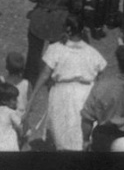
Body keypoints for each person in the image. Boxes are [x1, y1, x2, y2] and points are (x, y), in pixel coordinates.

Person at [35, 14, 107, 151]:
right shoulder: (92, 52)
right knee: (78, 131)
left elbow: (44, 75)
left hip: (62, 94)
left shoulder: (55, 49)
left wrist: (32, 98)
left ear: (67, 29)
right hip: (85, 94)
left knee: (62, 131)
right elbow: (101, 77)